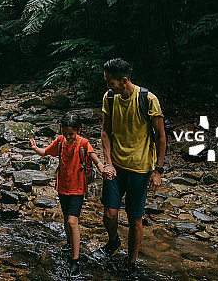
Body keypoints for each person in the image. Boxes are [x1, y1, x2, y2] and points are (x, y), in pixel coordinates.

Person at [99, 58, 166, 269]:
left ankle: (131, 261)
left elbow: (161, 137)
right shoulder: (109, 98)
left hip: (140, 168)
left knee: (135, 218)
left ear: (124, 80)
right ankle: (113, 241)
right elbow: (105, 131)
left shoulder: (148, 99)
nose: (107, 85)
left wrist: (158, 171)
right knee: (110, 213)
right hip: (116, 167)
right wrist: (107, 163)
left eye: (110, 82)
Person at [30, 111, 105, 277]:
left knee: (72, 221)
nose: (68, 137)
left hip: (78, 189)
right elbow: (45, 152)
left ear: (79, 130)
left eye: (71, 134)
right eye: (65, 133)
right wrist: (35, 148)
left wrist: (104, 170)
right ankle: (70, 243)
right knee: (66, 218)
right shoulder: (60, 141)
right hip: (62, 187)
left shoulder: (84, 144)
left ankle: (75, 261)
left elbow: (96, 161)